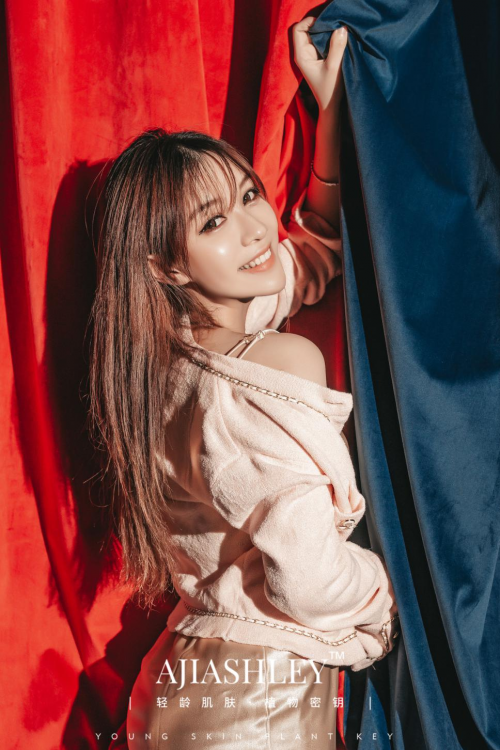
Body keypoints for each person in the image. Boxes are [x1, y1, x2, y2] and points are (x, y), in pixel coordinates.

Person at [89, 18, 399, 750]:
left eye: (250, 194)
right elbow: (311, 583)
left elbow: (311, 250)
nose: (255, 228)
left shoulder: (160, 363)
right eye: (214, 222)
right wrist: (398, 599)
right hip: (254, 708)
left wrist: (331, 115)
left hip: (181, 684)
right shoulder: (271, 370)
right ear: (167, 265)